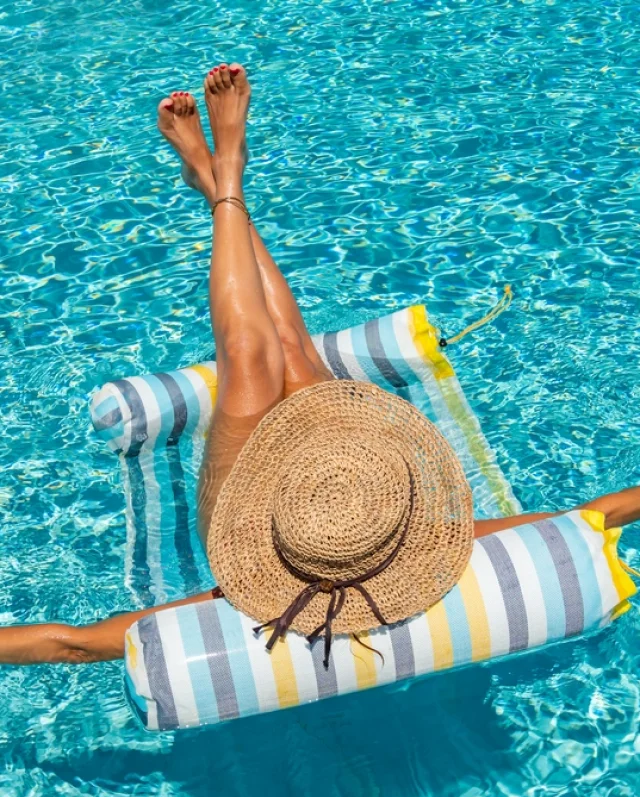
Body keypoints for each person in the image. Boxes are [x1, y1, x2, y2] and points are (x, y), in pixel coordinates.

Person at [2, 63, 639, 668]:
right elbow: (595, 514)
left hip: (258, 517)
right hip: (341, 473)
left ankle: (220, 177)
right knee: (298, 355)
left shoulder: (246, 598)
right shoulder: (432, 544)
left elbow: (75, 644)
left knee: (250, 359)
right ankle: (221, 177)